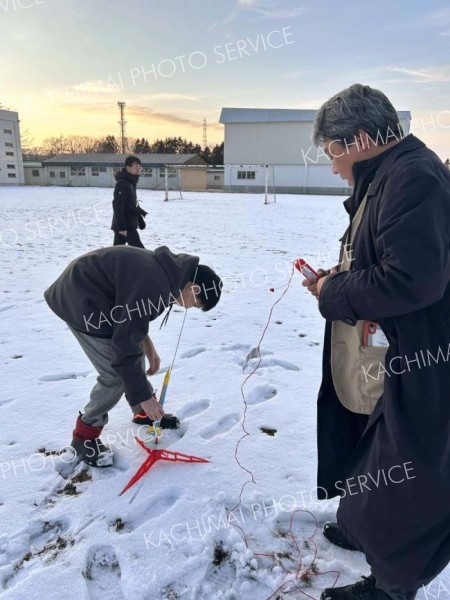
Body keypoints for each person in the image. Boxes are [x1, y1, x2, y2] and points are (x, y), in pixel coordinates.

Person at [303, 84, 450, 600]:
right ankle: (362, 529)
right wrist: (335, 278)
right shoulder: (390, 174)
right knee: (370, 450)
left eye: (332, 151)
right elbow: (386, 261)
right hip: (388, 350)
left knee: (403, 478)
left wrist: (333, 290)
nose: (332, 164)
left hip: (424, 357)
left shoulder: (414, 177)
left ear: (360, 139)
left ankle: (390, 586)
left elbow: (412, 279)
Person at [44, 245, 222, 467]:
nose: (188, 308)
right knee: (114, 375)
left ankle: (141, 412)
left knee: (130, 351)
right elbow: (124, 341)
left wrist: (148, 346)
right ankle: (84, 437)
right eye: (195, 304)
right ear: (194, 289)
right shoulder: (154, 286)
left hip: (96, 295)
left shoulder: (172, 276)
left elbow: (131, 318)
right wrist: (145, 396)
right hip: (81, 300)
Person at [111, 155, 147, 248]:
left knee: (117, 252)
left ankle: (113, 262)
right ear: (127, 167)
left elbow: (132, 204)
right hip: (125, 226)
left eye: (139, 166)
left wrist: (139, 218)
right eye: (135, 165)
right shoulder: (122, 183)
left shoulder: (131, 182)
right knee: (141, 253)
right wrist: (122, 228)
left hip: (127, 224)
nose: (138, 168)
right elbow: (117, 206)